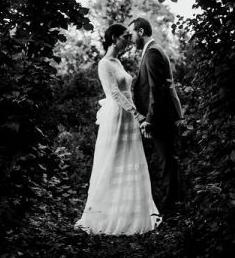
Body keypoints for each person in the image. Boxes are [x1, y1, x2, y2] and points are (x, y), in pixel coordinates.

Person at [74, 23, 160, 235]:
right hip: (118, 117)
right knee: (112, 161)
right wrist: (137, 114)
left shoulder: (117, 62)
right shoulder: (104, 64)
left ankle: (129, 212)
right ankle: (103, 215)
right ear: (113, 38)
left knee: (129, 160)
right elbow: (113, 93)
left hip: (128, 116)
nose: (128, 40)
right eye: (124, 36)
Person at [129, 17, 184, 214]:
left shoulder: (152, 53)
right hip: (162, 117)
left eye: (132, 34)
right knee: (165, 163)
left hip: (160, 119)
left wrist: (149, 120)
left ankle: (170, 212)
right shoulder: (153, 50)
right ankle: (170, 208)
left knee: (166, 164)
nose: (131, 38)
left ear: (141, 32)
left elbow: (156, 90)